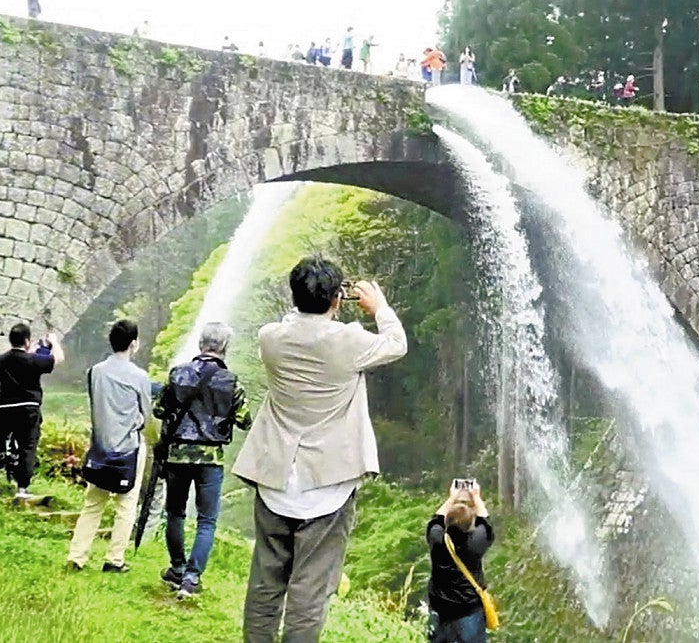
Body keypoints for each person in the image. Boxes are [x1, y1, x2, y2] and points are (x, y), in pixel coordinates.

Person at [234, 256, 408, 642]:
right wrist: (379, 308)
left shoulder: (270, 338)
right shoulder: (347, 341)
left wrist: (316, 302)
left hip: (274, 477)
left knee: (265, 585)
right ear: (336, 300)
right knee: (309, 593)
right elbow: (397, 344)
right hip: (328, 484)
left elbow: (293, 322)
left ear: (293, 295)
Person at [154, 322, 251, 599]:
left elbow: (159, 409)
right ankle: (192, 578)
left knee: (175, 512)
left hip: (177, 455)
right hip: (210, 459)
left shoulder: (178, 374)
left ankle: (176, 568)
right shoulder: (230, 381)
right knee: (207, 520)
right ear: (224, 348)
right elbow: (245, 420)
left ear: (201, 345)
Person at [66, 320, 149, 572]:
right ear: (133, 344)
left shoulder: (95, 372)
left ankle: (76, 557)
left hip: (101, 448)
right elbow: (148, 414)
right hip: (129, 449)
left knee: (93, 503)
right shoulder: (139, 376)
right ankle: (114, 560)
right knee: (126, 505)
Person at [0, 324, 64, 498]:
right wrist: (53, 342)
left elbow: (19, 358)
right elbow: (58, 358)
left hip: (6, 407)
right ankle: (22, 488)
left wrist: (30, 349)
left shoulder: (1, 360)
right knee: (27, 446)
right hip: (28, 409)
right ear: (27, 340)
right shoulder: (34, 360)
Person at [427, 481, 494, 643]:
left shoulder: (437, 541)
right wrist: (476, 497)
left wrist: (452, 498)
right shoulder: (476, 543)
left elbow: (435, 520)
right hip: (469, 612)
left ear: (447, 523)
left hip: (440, 613)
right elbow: (486, 523)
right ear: (471, 524)